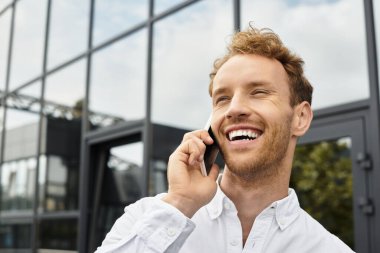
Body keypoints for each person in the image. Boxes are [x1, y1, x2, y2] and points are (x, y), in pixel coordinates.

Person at [95, 25, 355, 253]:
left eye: (259, 92)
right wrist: (181, 203)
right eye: (223, 99)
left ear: (300, 118)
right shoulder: (147, 219)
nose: (234, 109)